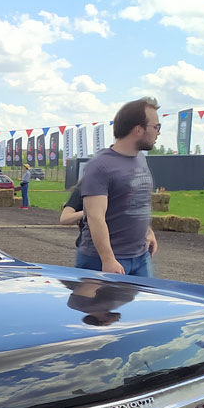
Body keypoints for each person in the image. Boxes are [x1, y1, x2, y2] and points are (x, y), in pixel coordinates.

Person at [77, 97, 160, 277]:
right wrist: (108, 259)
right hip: (102, 259)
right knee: (99, 306)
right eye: (156, 127)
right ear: (138, 129)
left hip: (140, 257)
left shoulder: (140, 158)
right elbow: (95, 217)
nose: (158, 133)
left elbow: (136, 203)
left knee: (141, 306)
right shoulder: (100, 165)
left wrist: (148, 231)